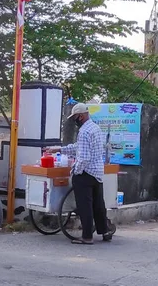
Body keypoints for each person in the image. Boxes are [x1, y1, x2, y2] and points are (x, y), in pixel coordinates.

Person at [47, 103, 115, 244]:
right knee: (98, 204)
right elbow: (78, 148)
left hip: (85, 173)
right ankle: (105, 231)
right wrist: (59, 149)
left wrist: (75, 171)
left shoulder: (84, 131)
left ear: (81, 116)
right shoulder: (95, 128)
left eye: (75, 118)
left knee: (85, 206)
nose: (74, 121)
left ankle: (87, 236)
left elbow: (83, 157)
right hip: (97, 172)